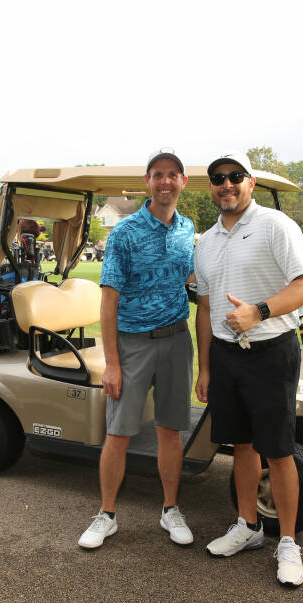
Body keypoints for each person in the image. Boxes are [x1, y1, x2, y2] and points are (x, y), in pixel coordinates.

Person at [194, 150, 303, 587]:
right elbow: (206, 308)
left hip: (271, 352)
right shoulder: (206, 242)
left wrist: (259, 311)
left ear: (249, 182)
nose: (226, 185)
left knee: (279, 450)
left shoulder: (276, 225)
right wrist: (205, 367)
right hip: (226, 357)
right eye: (217, 178)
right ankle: (247, 527)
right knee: (241, 446)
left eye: (234, 177)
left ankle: (287, 542)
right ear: (210, 186)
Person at [78, 148, 196, 550]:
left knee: (170, 431)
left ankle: (170, 509)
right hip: (132, 344)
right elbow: (108, 300)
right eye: (157, 174)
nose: (165, 181)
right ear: (148, 182)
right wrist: (112, 364)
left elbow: (191, 279)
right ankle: (106, 514)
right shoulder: (125, 233)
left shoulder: (187, 229)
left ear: (183, 182)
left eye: (172, 175)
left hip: (177, 340)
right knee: (120, 431)